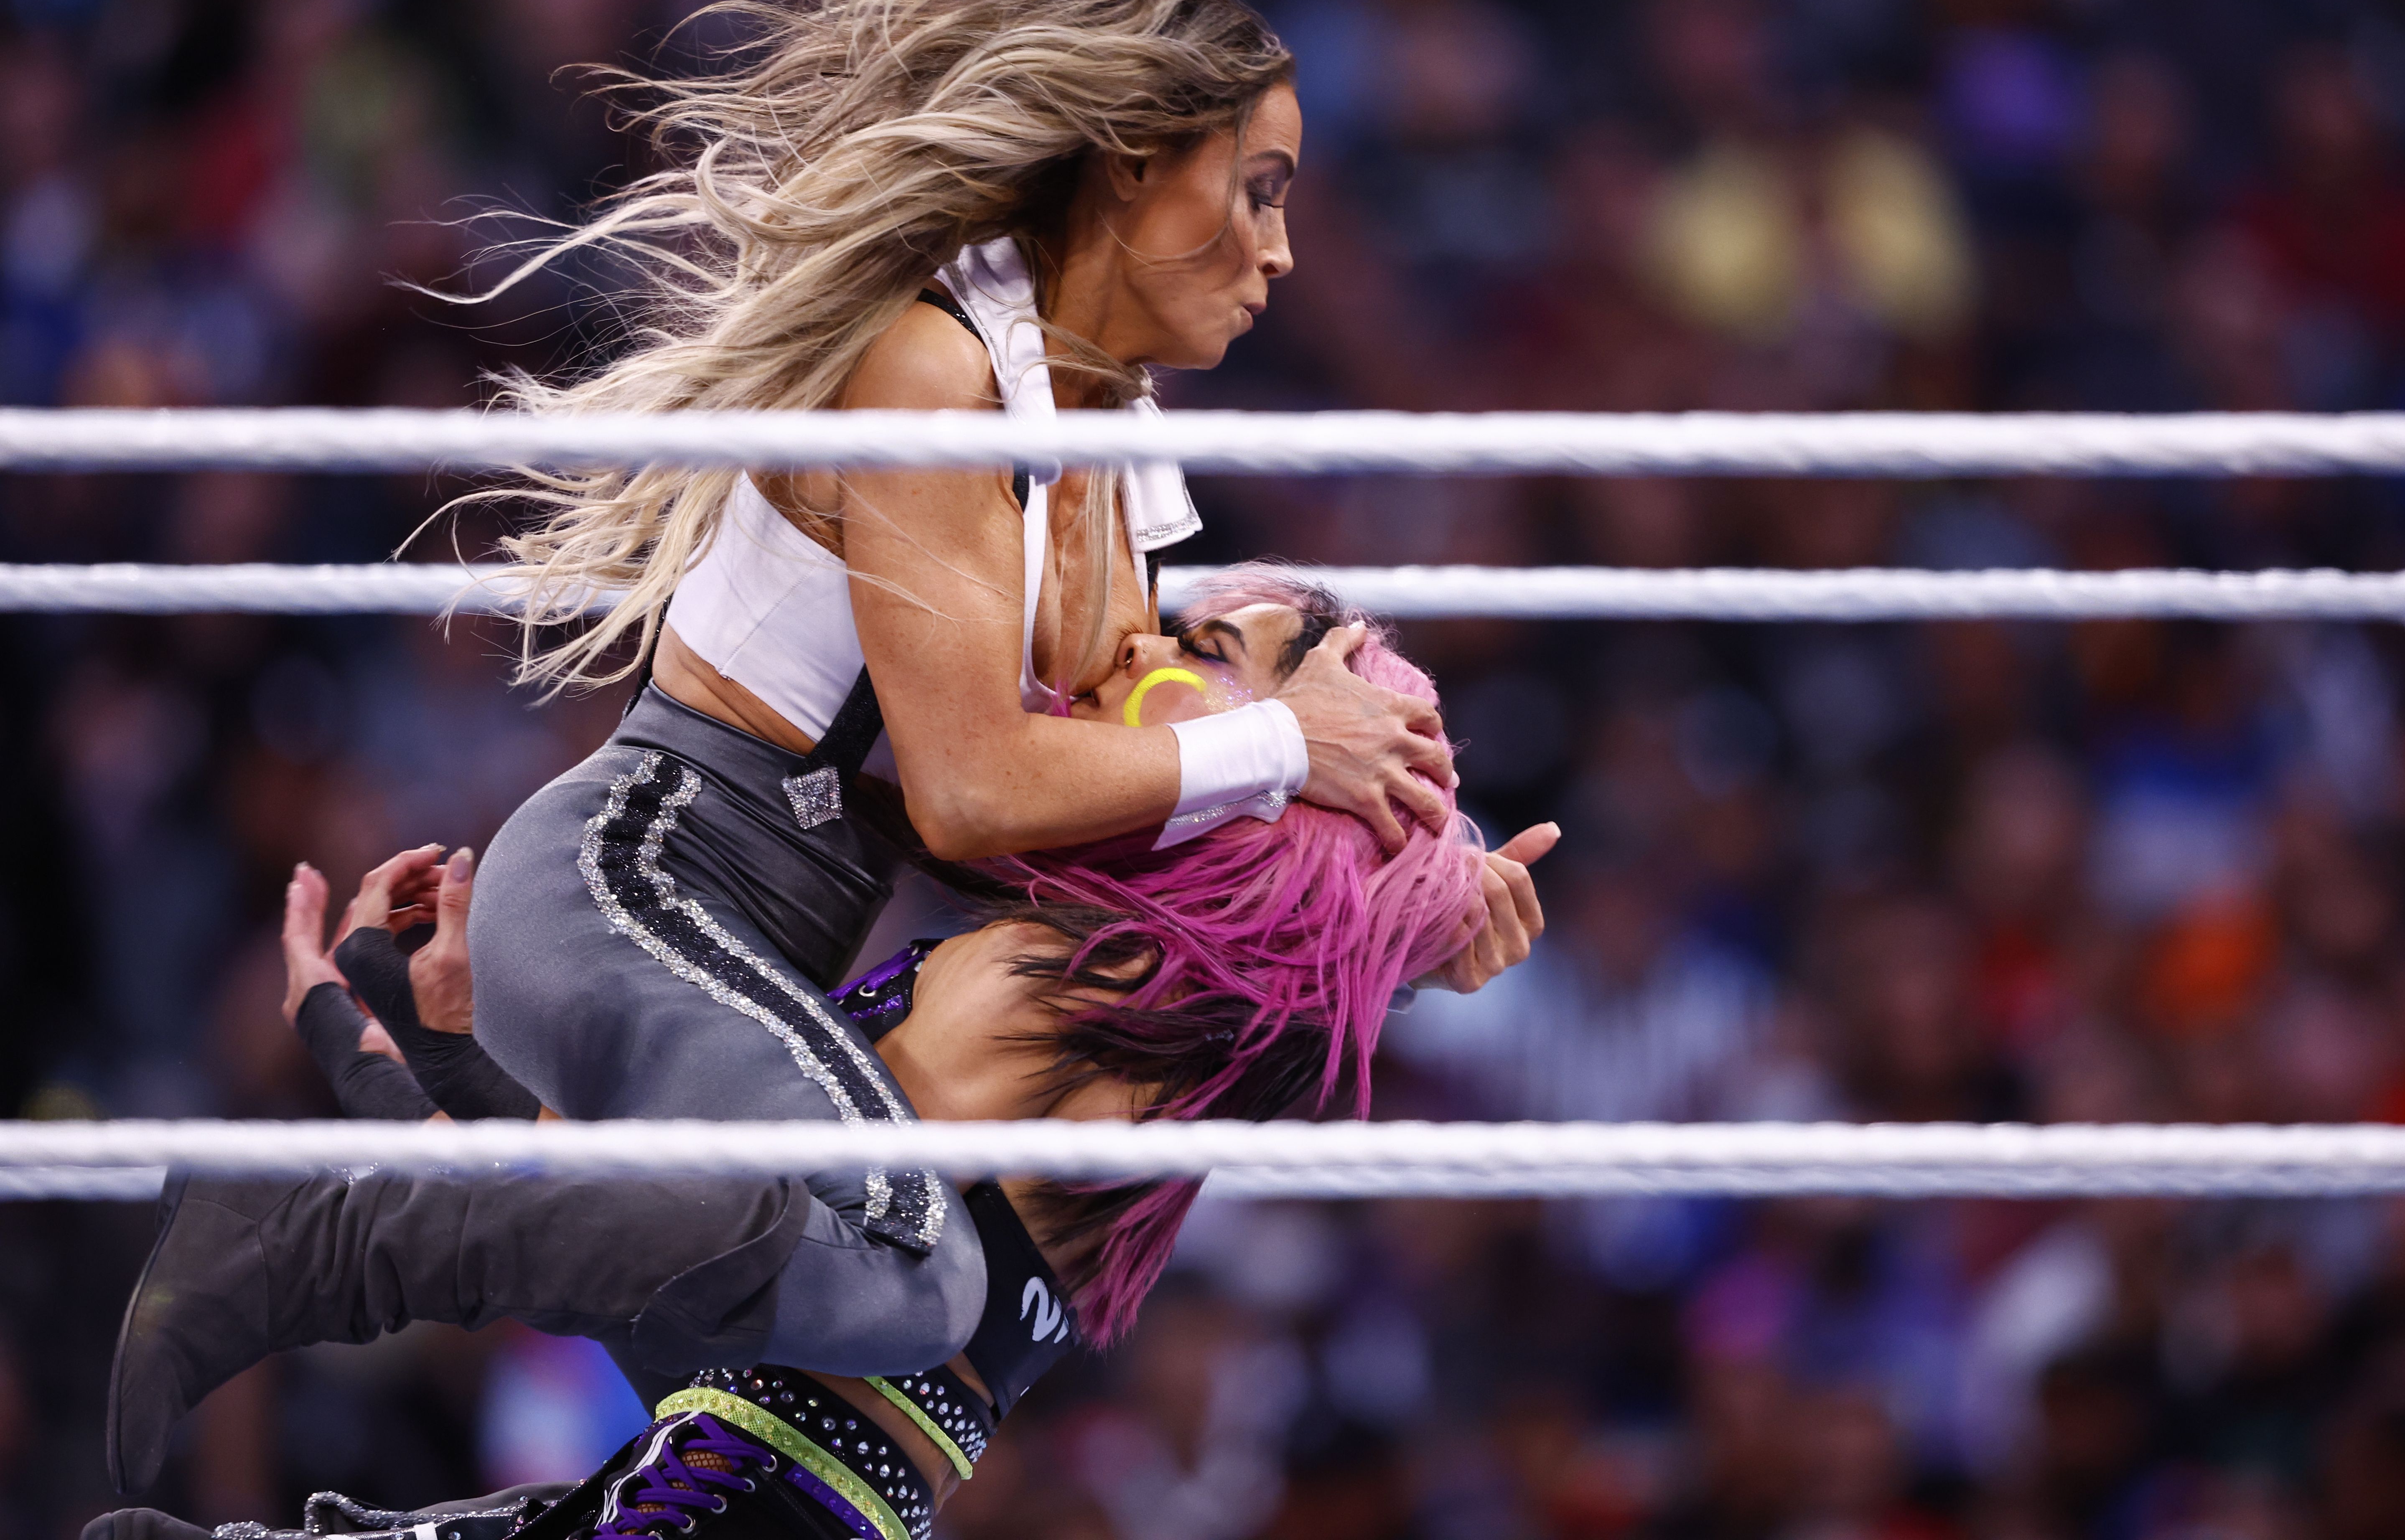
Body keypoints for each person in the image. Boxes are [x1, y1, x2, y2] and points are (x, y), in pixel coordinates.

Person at [375, 0, 1551, 1451]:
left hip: (772, 942)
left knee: (799, 1344)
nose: (1281, 251)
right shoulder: (937, 367)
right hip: (650, 880)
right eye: (1258, 191)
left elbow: (1131, 838)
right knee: (899, 1278)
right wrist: (1290, 745)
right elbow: (981, 789)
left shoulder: (1108, 434)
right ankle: (331, 1220)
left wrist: (1396, 908)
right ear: (1133, 165)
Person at [98, 577, 1486, 1540]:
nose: (1133, 647)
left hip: (745, 1496)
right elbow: (649, 1226)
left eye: (1201, 645)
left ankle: (300, 1243)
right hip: (742, 1484)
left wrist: (1426, 896)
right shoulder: (1095, 989)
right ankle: (299, 1238)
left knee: (912, 1267)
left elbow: (667, 1221)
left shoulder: (1117, 995)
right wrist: (416, 1057)